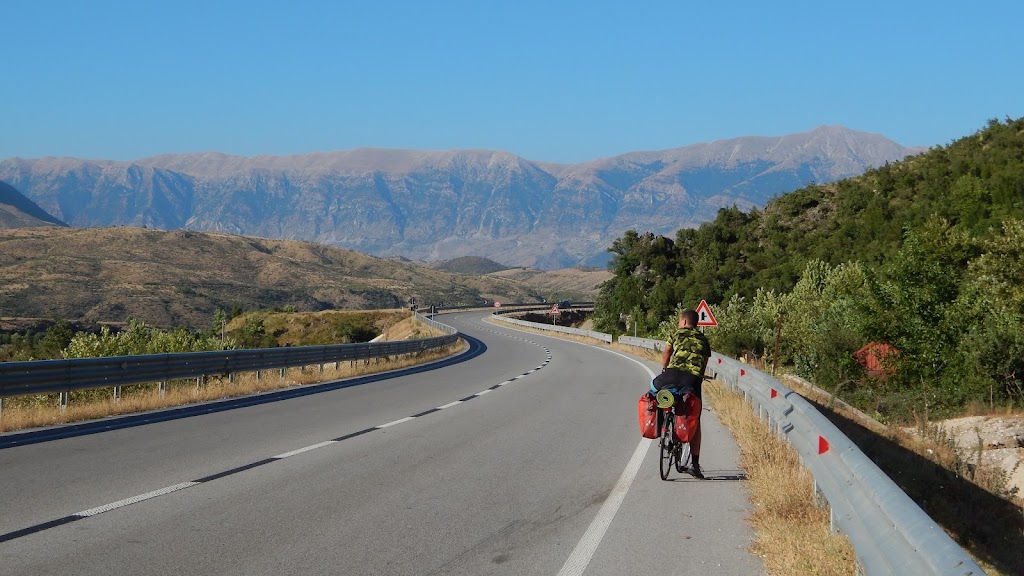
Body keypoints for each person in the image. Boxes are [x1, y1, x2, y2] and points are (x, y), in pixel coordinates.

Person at [652, 308, 711, 478]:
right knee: (695, 418)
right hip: (692, 379)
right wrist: (698, 376)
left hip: (671, 374)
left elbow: (667, 353)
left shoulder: (676, 334)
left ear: (684, 322)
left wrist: (664, 370)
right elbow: (704, 362)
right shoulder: (703, 339)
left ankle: (663, 426)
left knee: (655, 389)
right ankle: (695, 464)